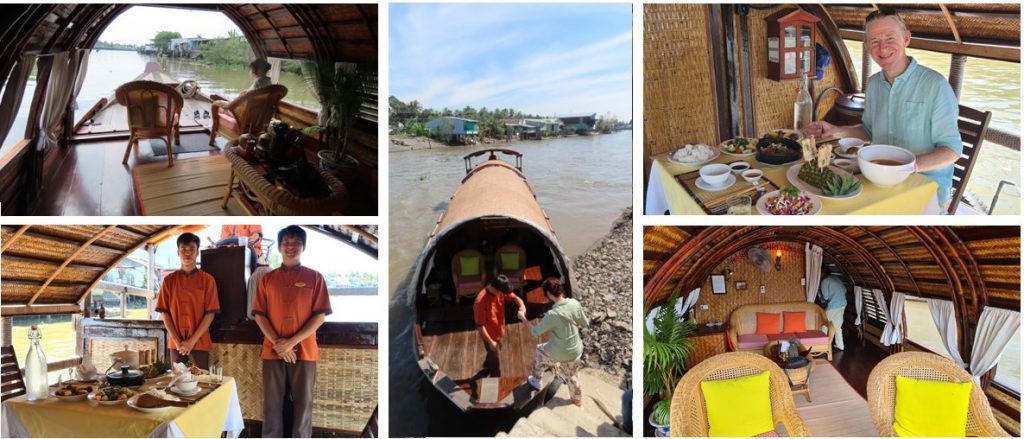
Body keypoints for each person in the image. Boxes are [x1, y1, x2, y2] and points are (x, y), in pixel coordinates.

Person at [804, 7, 962, 210]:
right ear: (867, 47)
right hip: (878, 182)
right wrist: (836, 130)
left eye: (890, 38)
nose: (883, 47)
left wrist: (907, 167)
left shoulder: (935, 85)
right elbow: (868, 131)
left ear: (906, 39)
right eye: (875, 41)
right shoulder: (874, 84)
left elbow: (952, 150)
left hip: (924, 190)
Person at [252, 226, 332, 438]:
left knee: (303, 404)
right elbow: (259, 315)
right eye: (286, 242)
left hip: (305, 351)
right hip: (272, 350)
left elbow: (320, 316)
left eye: (296, 242)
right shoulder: (267, 279)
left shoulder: (315, 278)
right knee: (271, 404)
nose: (291, 247)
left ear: (303, 246)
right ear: (279, 247)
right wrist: (279, 343)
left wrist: (291, 342)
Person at [154, 233, 220, 369]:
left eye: (192, 249)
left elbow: (210, 314)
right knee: (177, 383)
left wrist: (191, 341)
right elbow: (164, 313)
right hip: (176, 344)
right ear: (178, 252)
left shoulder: (208, 280)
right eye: (183, 249)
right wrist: (178, 341)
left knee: (202, 382)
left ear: (197, 253)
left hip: (199, 341)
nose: (187, 253)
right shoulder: (169, 281)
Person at [521, 278, 589, 405]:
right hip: (577, 350)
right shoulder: (574, 303)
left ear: (549, 295)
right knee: (572, 375)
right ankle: (576, 399)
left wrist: (523, 318)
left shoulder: (552, 314)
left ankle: (536, 380)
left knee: (540, 350)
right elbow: (585, 323)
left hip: (560, 352)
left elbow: (535, 332)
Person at [473, 274, 526, 377]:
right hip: (489, 336)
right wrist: (491, 342)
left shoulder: (500, 291)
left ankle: (487, 365)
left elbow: (515, 298)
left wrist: (522, 306)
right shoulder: (480, 302)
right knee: (495, 363)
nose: (505, 295)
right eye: (503, 293)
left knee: (493, 353)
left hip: (499, 331)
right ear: (497, 289)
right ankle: (495, 377)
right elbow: (480, 326)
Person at [818, 273, 848, 351]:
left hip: (833, 306)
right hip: (842, 304)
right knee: (837, 326)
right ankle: (840, 345)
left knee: (824, 324)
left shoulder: (824, 281)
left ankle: (823, 345)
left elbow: (826, 296)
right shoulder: (837, 278)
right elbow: (845, 290)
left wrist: (820, 297)